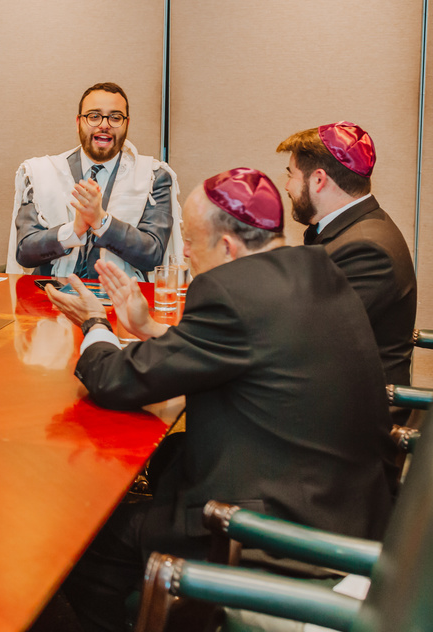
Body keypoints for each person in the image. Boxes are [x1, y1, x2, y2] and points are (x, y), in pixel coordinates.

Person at [44, 167, 394, 632]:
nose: (183, 252)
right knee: (168, 456)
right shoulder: (314, 269)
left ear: (228, 248)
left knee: (80, 543)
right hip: (347, 502)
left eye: (189, 240)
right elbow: (246, 349)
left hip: (278, 531)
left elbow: (116, 381)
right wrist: (148, 328)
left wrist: (95, 324)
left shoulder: (231, 294)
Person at [277, 122, 416, 396]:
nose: (286, 186)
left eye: (291, 175)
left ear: (318, 179)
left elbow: (306, 339)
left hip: (357, 412)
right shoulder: (355, 227)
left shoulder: (366, 248)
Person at [7, 82, 182, 278]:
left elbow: (153, 253)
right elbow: (24, 251)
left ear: (127, 124)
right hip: (50, 299)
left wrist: (102, 222)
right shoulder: (40, 173)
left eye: (115, 117)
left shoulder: (153, 176)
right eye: (94, 116)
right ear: (78, 122)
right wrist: (74, 230)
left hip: (121, 301)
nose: (104, 124)